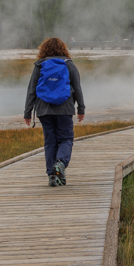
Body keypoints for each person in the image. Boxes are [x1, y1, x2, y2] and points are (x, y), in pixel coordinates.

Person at [24, 37, 86, 187]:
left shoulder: (39, 65)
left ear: (43, 50)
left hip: (44, 110)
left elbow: (31, 89)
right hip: (65, 109)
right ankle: (61, 164)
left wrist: (27, 112)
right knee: (65, 139)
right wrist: (81, 108)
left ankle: (52, 176)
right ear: (63, 49)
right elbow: (77, 87)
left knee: (50, 142)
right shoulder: (68, 64)